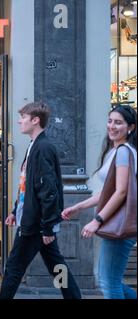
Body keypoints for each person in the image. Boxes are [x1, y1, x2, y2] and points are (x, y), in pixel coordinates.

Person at [0, 102, 81, 299]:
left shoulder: (43, 147)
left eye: (23, 117)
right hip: (35, 220)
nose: (19, 121)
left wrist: (47, 226)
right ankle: (73, 297)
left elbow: (48, 190)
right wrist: (14, 210)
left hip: (35, 224)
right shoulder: (34, 145)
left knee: (14, 268)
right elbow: (27, 186)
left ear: (35, 120)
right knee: (56, 265)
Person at [62, 105, 137, 299]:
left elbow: (120, 192)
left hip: (119, 225)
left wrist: (97, 220)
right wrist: (79, 206)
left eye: (118, 123)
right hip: (117, 223)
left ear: (131, 127)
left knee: (108, 283)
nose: (112, 126)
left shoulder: (123, 152)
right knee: (112, 281)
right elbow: (107, 192)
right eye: (110, 121)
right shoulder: (118, 150)